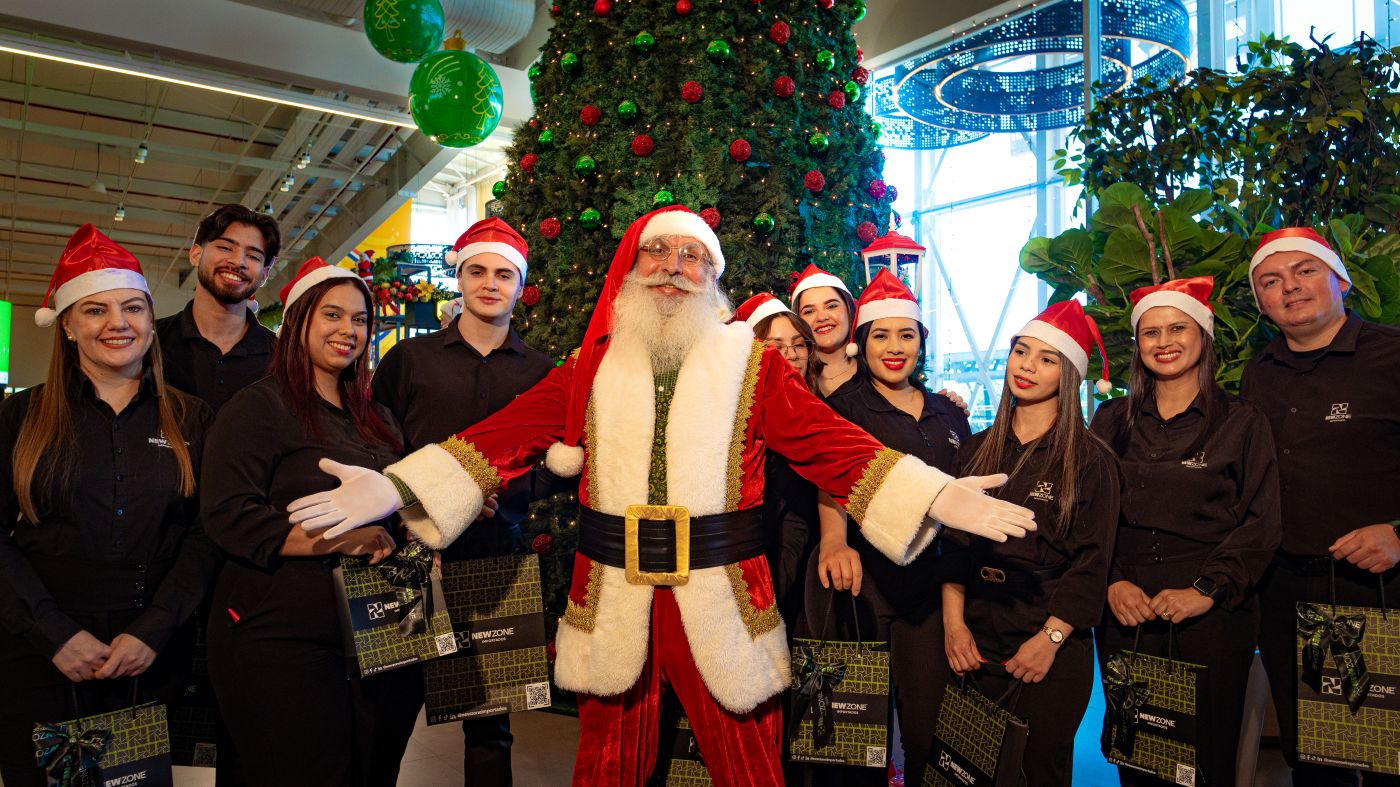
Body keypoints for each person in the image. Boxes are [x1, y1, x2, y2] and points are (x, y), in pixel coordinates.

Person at [289, 206, 1036, 787]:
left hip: (721, 592)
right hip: (615, 592)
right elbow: (505, 435)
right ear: (633, 265)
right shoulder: (590, 366)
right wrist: (393, 485)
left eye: (693, 256)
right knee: (607, 762)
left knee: (749, 762)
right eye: (659, 251)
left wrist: (935, 496)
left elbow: (831, 445)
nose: (674, 267)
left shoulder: (752, 363)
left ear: (712, 276)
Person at [0, 226, 216, 786]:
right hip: (39, 652)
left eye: (133, 308)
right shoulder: (20, 419)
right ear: (67, 325)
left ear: (150, 321)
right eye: (95, 310)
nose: (117, 324)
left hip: (149, 655)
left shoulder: (192, 419)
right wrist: (53, 632)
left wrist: (154, 630)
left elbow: (204, 535)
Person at [200, 258, 411, 787]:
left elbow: (398, 504)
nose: (348, 331)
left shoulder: (378, 418)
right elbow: (228, 515)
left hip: (376, 629)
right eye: (332, 316)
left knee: (368, 768)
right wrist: (340, 541)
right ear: (298, 322)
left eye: (360, 319)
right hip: (280, 633)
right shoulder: (258, 408)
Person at [371, 218, 555, 785]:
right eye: (478, 270)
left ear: (521, 287)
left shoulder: (542, 370)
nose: (490, 283)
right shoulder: (410, 361)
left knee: (490, 720)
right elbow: (378, 441)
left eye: (504, 274)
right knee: (388, 711)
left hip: (498, 554)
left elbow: (557, 460)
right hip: (410, 556)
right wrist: (423, 505)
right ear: (460, 276)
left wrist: (506, 494)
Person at [1091, 277, 1281, 786]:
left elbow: (1262, 523)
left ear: (1203, 336)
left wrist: (1207, 590)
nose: (1164, 341)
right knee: (1138, 755)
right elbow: (1087, 515)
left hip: (1210, 614)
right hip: (1125, 608)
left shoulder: (1242, 422)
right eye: (1151, 332)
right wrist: (1110, 580)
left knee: (1204, 761)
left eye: (1178, 328)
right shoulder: (1109, 421)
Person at [1242, 228, 1400, 787]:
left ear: (1341, 279)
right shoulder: (1257, 372)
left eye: (1304, 271)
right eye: (1270, 280)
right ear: (1260, 302)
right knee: (1313, 759)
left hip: (1380, 589)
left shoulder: (1392, 355)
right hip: (1285, 592)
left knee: (1388, 756)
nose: (1289, 287)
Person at [939, 300, 1120, 787]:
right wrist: (954, 627)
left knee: (1039, 769)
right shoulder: (977, 449)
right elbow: (953, 549)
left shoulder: (1091, 460)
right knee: (967, 769)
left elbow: (1092, 562)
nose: (1027, 366)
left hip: (1048, 638)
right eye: (1021, 352)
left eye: (1046, 359)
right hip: (975, 635)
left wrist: (1050, 640)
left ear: (1069, 376)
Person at [814, 270, 971, 782]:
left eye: (907, 335)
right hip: (866, 589)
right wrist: (835, 542)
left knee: (929, 724)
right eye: (881, 335)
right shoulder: (844, 409)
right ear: (863, 342)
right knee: (860, 737)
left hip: (929, 593)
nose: (894, 347)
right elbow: (829, 482)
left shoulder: (949, 412)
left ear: (921, 343)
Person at [729, 292, 821, 625]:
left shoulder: (820, 408)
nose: (792, 355)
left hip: (811, 569)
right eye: (776, 346)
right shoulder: (737, 421)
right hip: (763, 571)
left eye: (799, 345)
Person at [156, 204, 279, 413]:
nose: (238, 261)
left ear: (265, 273)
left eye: (253, 256)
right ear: (196, 254)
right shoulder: (152, 343)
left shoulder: (281, 357)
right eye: (225, 247)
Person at [790, 264, 860, 397]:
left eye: (831, 306)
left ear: (849, 310)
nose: (822, 317)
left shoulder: (877, 371)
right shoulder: (794, 381)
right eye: (809, 311)